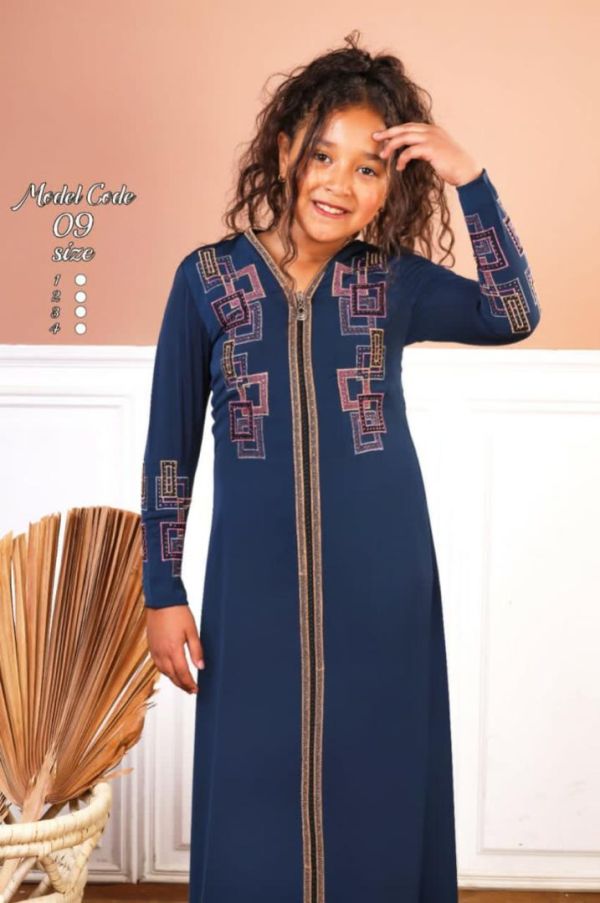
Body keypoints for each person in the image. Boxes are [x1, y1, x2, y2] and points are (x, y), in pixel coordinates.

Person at [140, 29, 541, 903]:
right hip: (252, 589)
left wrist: (470, 178)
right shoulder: (207, 282)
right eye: (323, 154)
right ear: (285, 149)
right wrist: (161, 588)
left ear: (392, 187)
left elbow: (513, 311)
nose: (339, 183)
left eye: (369, 167)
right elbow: (171, 448)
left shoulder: (393, 283)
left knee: (379, 787)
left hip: (383, 580)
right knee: (253, 792)